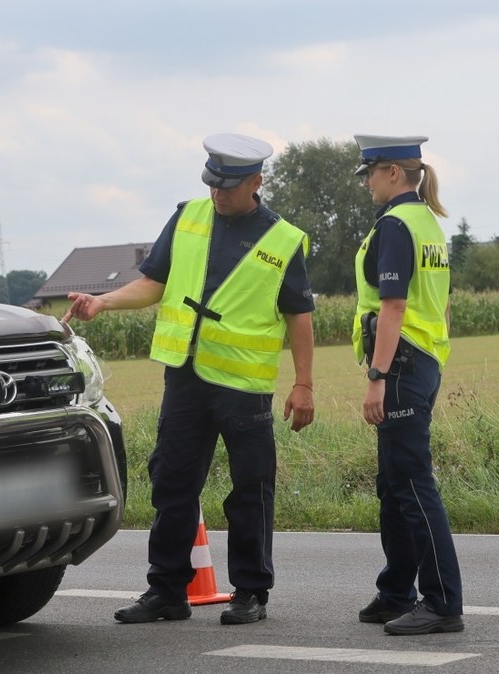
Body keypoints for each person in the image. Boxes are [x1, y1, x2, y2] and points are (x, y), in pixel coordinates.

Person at [63, 132, 316, 625]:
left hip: (244, 387)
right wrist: (103, 301)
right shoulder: (188, 216)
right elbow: (153, 283)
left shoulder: (283, 240)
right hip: (185, 377)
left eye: (228, 186)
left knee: (250, 489)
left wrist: (304, 384)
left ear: (256, 182)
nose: (218, 193)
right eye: (213, 184)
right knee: (172, 481)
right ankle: (166, 591)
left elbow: (299, 317)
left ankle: (251, 592)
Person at [349, 134, 464, 635]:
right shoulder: (429, 222)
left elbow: (393, 306)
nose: (367, 182)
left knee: (412, 484)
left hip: (401, 364)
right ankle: (397, 590)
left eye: (370, 173)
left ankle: (441, 603)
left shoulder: (396, 224)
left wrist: (377, 376)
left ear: (393, 173)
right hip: (424, 360)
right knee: (394, 483)